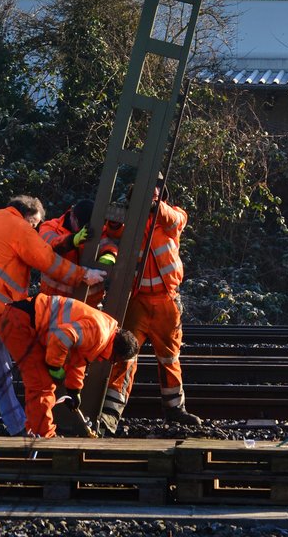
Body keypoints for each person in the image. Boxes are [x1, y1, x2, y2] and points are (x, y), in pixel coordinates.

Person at [0, 194, 107, 438]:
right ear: (29, 215)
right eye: (35, 223)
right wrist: (83, 275)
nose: (36, 228)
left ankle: (18, 428)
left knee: (2, 374)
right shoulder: (19, 227)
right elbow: (47, 260)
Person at [99, 178, 202, 433]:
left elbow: (176, 219)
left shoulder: (171, 217)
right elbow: (111, 232)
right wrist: (114, 220)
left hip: (167, 300)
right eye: (147, 190)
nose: (152, 193)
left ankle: (175, 410)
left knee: (169, 358)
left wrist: (156, 207)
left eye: (156, 190)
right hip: (138, 300)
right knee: (126, 355)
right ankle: (111, 413)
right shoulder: (131, 223)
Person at [0, 292, 139, 438]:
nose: (109, 362)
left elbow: (78, 358)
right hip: (20, 323)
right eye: (113, 360)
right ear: (115, 352)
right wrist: (55, 367)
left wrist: (74, 389)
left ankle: (36, 431)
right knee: (42, 384)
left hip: (23, 320)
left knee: (42, 383)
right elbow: (61, 337)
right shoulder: (99, 333)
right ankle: (45, 436)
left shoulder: (105, 332)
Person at [38, 198, 116, 306]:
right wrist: (72, 241)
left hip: (87, 304)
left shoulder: (96, 228)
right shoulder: (50, 227)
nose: (81, 229)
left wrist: (109, 256)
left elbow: (108, 245)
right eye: (81, 225)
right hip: (54, 302)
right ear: (72, 216)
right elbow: (49, 245)